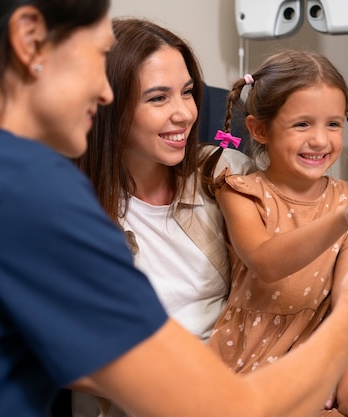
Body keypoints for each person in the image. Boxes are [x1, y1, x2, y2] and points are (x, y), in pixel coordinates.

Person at [0, 2, 348, 417]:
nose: (103, 92)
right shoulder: (24, 188)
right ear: (30, 37)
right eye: (98, 55)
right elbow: (218, 409)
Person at [207, 50, 348, 417]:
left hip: (310, 376)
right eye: (302, 125)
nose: (320, 140)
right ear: (259, 130)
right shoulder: (240, 192)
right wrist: (342, 219)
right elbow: (266, 261)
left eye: (332, 124)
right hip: (240, 374)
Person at [71, 17, 253, 417]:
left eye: (187, 93)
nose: (184, 114)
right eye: (158, 98)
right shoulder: (69, 211)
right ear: (108, 107)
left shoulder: (226, 174)